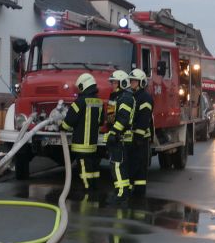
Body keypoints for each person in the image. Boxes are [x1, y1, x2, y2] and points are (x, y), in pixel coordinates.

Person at [60, 73, 104, 189]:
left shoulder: (79, 102)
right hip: (93, 145)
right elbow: (100, 121)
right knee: (93, 167)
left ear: (84, 85)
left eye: (79, 87)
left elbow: (69, 121)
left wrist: (61, 126)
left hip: (81, 144)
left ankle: (87, 189)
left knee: (84, 168)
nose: (78, 90)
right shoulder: (99, 102)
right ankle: (93, 188)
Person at [106, 69, 135, 203]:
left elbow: (123, 119)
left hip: (121, 137)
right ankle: (122, 191)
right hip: (117, 136)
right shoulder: (116, 97)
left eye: (114, 82)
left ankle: (121, 194)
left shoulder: (125, 98)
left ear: (122, 83)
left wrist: (113, 133)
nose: (112, 85)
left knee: (117, 165)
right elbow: (111, 118)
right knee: (118, 165)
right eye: (112, 82)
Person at [127, 68, 153, 198]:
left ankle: (139, 192)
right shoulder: (133, 96)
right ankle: (135, 191)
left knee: (140, 166)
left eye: (135, 81)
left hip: (141, 139)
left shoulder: (145, 98)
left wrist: (138, 137)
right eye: (131, 80)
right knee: (133, 165)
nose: (132, 83)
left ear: (141, 82)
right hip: (133, 137)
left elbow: (144, 119)